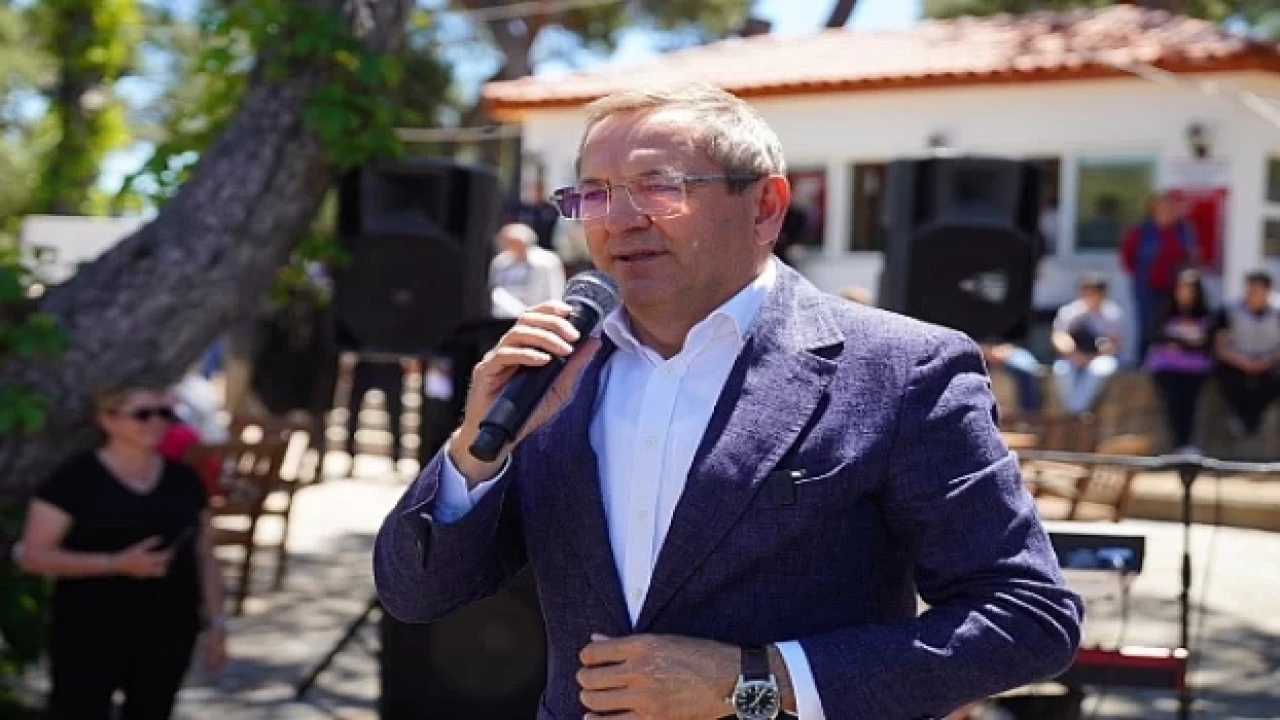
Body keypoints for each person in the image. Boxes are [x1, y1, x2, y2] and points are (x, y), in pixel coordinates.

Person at [374, 82, 1081, 720]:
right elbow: (418, 593)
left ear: (765, 207)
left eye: (658, 188)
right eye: (594, 195)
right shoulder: (555, 372)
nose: (620, 220)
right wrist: (475, 452)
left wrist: (756, 681)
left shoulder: (900, 369)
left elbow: (1025, 617)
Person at [16, 383, 228, 718]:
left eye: (165, 413)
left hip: (169, 629)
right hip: (89, 630)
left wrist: (217, 623)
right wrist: (116, 563)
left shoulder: (185, 480)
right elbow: (33, 555)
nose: (156, 422)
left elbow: (204, 555)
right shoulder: (73, 480)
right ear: (108, 420)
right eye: (143, 414)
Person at [1144, 268, 1214, 454]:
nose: (1185, 293)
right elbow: (1157, 337)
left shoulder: (1206, 315)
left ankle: (1186, 445)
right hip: (1166, 368)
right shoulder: (1164, 311)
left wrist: (1179, 343)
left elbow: (1206, 343)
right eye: (1181, 288)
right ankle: (1179, 445)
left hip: (1196, 369)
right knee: (1173, 402)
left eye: (1189, 289)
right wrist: (1187, 342)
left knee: (1189, 404)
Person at [1120, 191, 1198, 356]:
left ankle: (1169, 360)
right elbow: (1127, 256)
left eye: (1170, 207)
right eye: (1162, 207)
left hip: (1175, 287)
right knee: (1147, 324)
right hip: (1146, 286)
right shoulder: (1140, 230)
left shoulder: (1183, 230)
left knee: (1171, 324)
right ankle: (1144, 360)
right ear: (1153, 209)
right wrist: (1141, 274)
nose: (1167, 211)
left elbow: (1191, 255)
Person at [1211, 270, 1280, 444]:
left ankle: (1254, 418)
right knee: (1226, 377)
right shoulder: (1228, 310)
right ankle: (1243, 418)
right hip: (1236, 361)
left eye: (1258, 290)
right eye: (1250, 289)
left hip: (1269, 362)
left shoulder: (1277, 311)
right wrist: (1242, 362)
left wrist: (1266, 361)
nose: (1253, 294)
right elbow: (1220, 347)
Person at [1051, 274, 1125, 416]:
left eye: (1094, 292)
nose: (1089, 296)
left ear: (1102, 294)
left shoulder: (1113, 313)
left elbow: (1114, 344)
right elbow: (1058, 337)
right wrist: (1075, 353)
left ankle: (1074, 412)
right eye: (1086, 291)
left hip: (1100, 357)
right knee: (1062, 370)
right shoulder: (1070, 311)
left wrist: (1092, 356)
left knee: (1099, 370)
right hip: (1073, 356)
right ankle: (1076, 413)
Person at [490, 222, 568, 318]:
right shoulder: (499, 262)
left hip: (539, 315)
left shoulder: (547, 261)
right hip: (506, 316)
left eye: (514, 242)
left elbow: (555, 290)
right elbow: (496, 289)